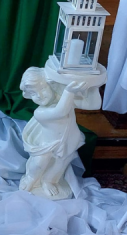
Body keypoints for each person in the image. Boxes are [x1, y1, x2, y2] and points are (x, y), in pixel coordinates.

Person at [18, 68, 86, 200]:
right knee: (39, 163)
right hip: (46, 144)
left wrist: (94, 85)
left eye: (42, 89)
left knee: (60, 164)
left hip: (68, 140)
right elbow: (60, 112)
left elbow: (94, 105)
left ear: (51, 85)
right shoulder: (40, 112)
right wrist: (68, 91)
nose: (39, 95)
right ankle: (31, 178)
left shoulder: (64, 100)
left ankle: (49, 181)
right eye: (33, 93)